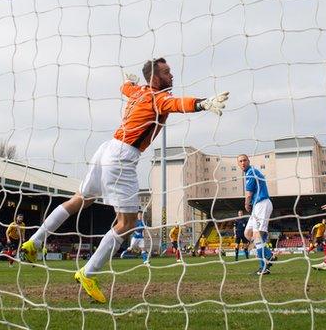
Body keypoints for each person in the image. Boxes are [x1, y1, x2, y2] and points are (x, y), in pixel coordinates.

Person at [18, 58, 229, 303]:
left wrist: (128, 81)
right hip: (122, 156)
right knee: (127, 223)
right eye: (166, 72)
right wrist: (202, 103)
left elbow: (125, 88)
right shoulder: (155, 97)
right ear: (155, 78)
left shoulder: (138, 92)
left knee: (80, 199)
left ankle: (33, 243)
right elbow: (177, 103)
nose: (172, 75)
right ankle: (89, 273)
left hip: (107, 149)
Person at [237, 154, 274, 275]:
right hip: (257, 207)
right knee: (248, 234)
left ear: (248, 161)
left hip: (262, 204)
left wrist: (246, 204)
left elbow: (248, 194)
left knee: (257, 235)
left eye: (244, 160)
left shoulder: (251, 172)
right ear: (238, 164)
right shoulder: (248, 173)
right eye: (240, 161)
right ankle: (268, 255)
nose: (243, 163)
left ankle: (264, 266)